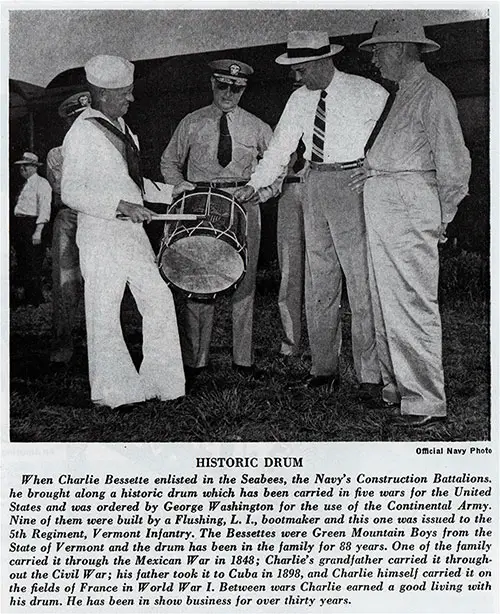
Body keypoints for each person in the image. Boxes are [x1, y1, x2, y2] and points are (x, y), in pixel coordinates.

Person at [236, 31, 389, 395]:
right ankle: (324, 368)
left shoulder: (369, 92)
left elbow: (391, 138)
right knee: (319, 281)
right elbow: (280, 147)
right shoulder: (298, 99)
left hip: (352, 185)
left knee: (361, 282)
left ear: (323, 61)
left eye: (301, 69)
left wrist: (374, 168)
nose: (296, 77)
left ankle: (370, 375)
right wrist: (255, 185)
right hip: (313, 183)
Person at [351, 15, 471, 427]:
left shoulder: (433, 94)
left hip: (408, 206)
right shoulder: (404, 92)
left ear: (402, 48)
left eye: (379, 51)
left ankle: (424, 400)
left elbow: (454, 163)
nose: (375, 61)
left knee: (411, 303)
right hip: (387, 202)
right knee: (385, 301)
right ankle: (397, 389)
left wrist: (443, 216)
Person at [61, 54, 193, 410]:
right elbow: (70, 191)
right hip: (101, 235)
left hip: (131, 235)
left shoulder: (121, 127)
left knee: (158, 300)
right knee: (104, 311)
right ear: (103, 94)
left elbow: (133, 184)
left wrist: (171, 192)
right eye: (125, 93)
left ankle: (162, 384)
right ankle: (113, 392)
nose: (131, 99)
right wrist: (120, 207)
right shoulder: (83, 132)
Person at [160, 59, 284, 380]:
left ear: (244, 89)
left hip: (244, 205)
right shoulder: (191, 123)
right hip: (202, 203)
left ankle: (242, 360)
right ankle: (196, 360)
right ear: (212, 84)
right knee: (198, 279)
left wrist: (264, 192)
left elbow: (277, 167)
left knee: (244, 281)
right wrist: (178, 185)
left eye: (237, 88)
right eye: (223, 85)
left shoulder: (258, 127)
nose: (229, 93)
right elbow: (169, 162)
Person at [46, 91, 91, 366]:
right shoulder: (58, 154)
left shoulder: (106, 148)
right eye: (78, 119)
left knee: (101, 281)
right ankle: (62, 348)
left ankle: (95, 342)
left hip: (100, 219)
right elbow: (64, 190)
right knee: (66, 284)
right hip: (71, 219)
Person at [277, 138, 307, 358]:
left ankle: (325, 349)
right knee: (289, 269)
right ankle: (290, 343)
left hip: (319, 186)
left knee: (325, 271)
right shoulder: (288, 120)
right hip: (288, 190)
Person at [12, 152, 52, 307]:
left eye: (26, 165)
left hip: (32, 225)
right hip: (20, 225)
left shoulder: (42, 184)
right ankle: (27, 297)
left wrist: (38, 231)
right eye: (21, 166)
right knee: (23, 261)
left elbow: (44, 209)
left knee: (33, 262)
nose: (22, 168)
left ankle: (35, 299)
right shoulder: (24, 185)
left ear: (35, 167)